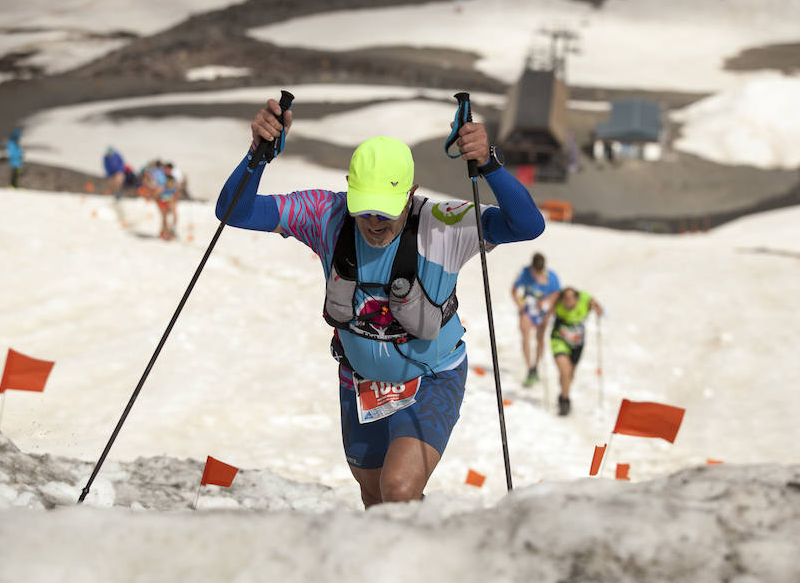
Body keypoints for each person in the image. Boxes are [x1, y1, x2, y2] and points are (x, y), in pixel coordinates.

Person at [215, 97, 544, 508]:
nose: (373, 221)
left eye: (385, 210)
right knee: (374, 498)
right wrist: (257, 155)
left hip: (431, 376)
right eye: (364, 208)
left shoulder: (443, 224)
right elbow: (233, 211)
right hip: (360, 380)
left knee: (399, 489)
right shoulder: (326, 214)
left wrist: (490, 165)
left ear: (411, 193)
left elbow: (528, 226)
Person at [541, 286, 603, 416]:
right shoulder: (557, 302)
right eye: (565, 298)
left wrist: (597, 308)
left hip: (577, 344)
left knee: (570, 375)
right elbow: (546, 314)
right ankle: (565, 401)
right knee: (565, 371)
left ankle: (564, 393)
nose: (567, 301)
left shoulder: (585, 298)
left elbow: (600, 309)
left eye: (570, 298)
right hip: (559, 341)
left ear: (577, 298)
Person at [511, 253, 560, 387]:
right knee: (525, 335)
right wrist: (520, 307)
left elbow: (557, 295)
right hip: (528, 308)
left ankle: (536, 365)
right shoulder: (525, 273)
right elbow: (514, 290)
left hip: (543, 310)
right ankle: (530, 368)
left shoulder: (552, 277)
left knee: (540, 338)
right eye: (534, 271)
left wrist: (548, 312)